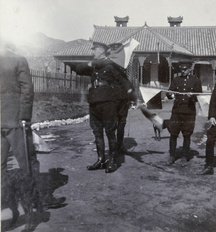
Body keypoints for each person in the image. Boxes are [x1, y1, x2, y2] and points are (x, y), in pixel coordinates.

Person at [0, 40, 66, 209]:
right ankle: (40, 198)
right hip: (15, 119)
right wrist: (24, 116)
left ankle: (6, 198)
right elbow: (27, 88)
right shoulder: (18, 59)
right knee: (28, 161)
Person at [75, 41, 133, 173]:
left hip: (107, 103)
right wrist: (92, 63)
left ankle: (112, 161)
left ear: (101, 50)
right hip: (94, 102)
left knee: (110, 132)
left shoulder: (111, 66)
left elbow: (124, 81)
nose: (92, 52)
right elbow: (79, 69)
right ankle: (101, 160)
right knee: (97, 133)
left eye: (94, 50)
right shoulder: (94, 66)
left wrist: (129, 91)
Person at [166, 60, 203, 165]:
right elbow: (170, 93)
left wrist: (192, 96)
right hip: (177, 111)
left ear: (190, 69)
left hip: (189, 112)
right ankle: (172, 156)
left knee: (187, 135)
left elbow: (199, 96)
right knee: (173, 134)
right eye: (181, 69)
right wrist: (170, 95)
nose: (183, 71)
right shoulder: (176, 80)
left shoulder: (195, 80)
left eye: (185, 69)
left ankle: (184, 157)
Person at [108, 43, 137, 157]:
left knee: (121, 124)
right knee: (112, 124)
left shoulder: (122, 69)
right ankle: (113, 148)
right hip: (112, 101)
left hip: (123, 101)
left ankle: (119, 146)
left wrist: (130, 97)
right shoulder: (108, 67)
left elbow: (127, 84)